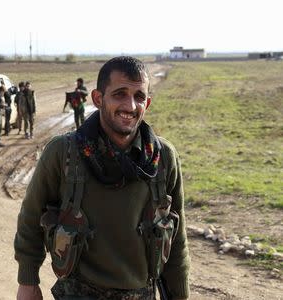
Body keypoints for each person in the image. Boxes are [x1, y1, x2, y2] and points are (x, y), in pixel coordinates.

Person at [14, 56, 190, 300]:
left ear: (147, 103)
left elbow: (177, 239)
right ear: (98, 99)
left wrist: (180, 295)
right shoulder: (64, 153)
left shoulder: (162, 158)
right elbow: (31, 219)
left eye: (139, 96)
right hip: (77, 293)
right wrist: (28, 282)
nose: (130, 105)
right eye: (120, 94)